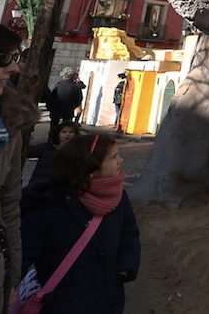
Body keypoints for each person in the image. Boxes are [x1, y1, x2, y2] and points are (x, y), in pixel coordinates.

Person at [21, 133, 140, 312]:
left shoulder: (118, 197)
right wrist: (10, 287)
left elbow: (129, 234)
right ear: (91, 167)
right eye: (114, 156)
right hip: (62, 301)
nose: (120, 160)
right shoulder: (49, 204)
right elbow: (25, 250)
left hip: (108, 298)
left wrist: (125, 268)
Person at [0, 22, 37, 312]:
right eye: (2, 58)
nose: (14, 69)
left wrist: (12, 280)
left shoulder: (8, 124)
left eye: (15, 58)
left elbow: (9, 207)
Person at [27, 121, 80, 189]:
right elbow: (28, 152)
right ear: (58, 134)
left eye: (71, 132)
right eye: (64, 132)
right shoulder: (47, 147)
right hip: (38, 185)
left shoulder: (78, 151)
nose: (67, 134)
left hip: (62, 188)